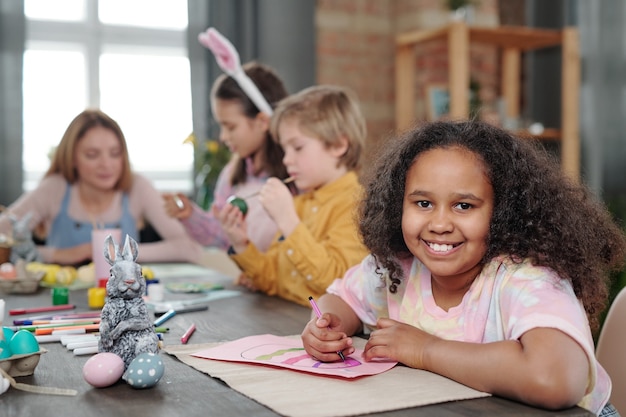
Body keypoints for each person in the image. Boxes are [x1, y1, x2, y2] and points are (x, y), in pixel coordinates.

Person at [301, 120, 626, 416]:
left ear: (503, 212)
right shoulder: (396, 269)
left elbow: (554, 380)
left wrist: (427, 350)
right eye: (423, 203)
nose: (440, 224)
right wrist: (325, 326)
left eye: (464, 205)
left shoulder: (527, 279)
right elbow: (340, 300)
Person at [218, 85, 370, 307]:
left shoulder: (356, 205)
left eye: (297, 148)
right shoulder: (299, 204)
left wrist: (289, 222)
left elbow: (336, 282)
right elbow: (273, 280)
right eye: (284, 149)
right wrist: (241, 244)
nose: (286, 160)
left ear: (338, 144)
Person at [0, 109, 203, 265]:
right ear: (72, 158)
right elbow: (4, 238)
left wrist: (117, 253)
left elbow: (189, 248)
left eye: (115, 153)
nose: (107, 164)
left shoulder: (137, 187)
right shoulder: (55, 188)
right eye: (92, 155)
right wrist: (61, 254)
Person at [163, 62, 292, 252]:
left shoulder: (294, 172)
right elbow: (222, 236)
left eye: (230, 127)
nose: (223, 136)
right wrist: (190, 215)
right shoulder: (232, 174)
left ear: (262, 121)